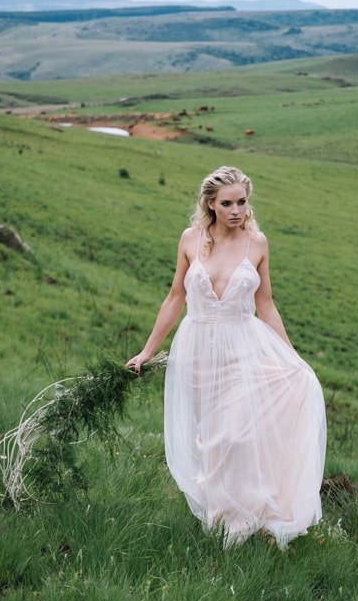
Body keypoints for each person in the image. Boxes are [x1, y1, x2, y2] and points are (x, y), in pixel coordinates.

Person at [127, 166, 326, 548]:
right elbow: (175, 299)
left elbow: (265, 306)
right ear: (211, 204)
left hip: (242, 349)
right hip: (196, 353)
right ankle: (223, 523)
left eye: (242, 201)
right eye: (227, 203)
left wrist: (292, 356)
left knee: (234, 436)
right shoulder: (190, 239)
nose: (237, 210)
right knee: (212, 443)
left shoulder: (258, 243)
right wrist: (147, 350)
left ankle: (243, 523)